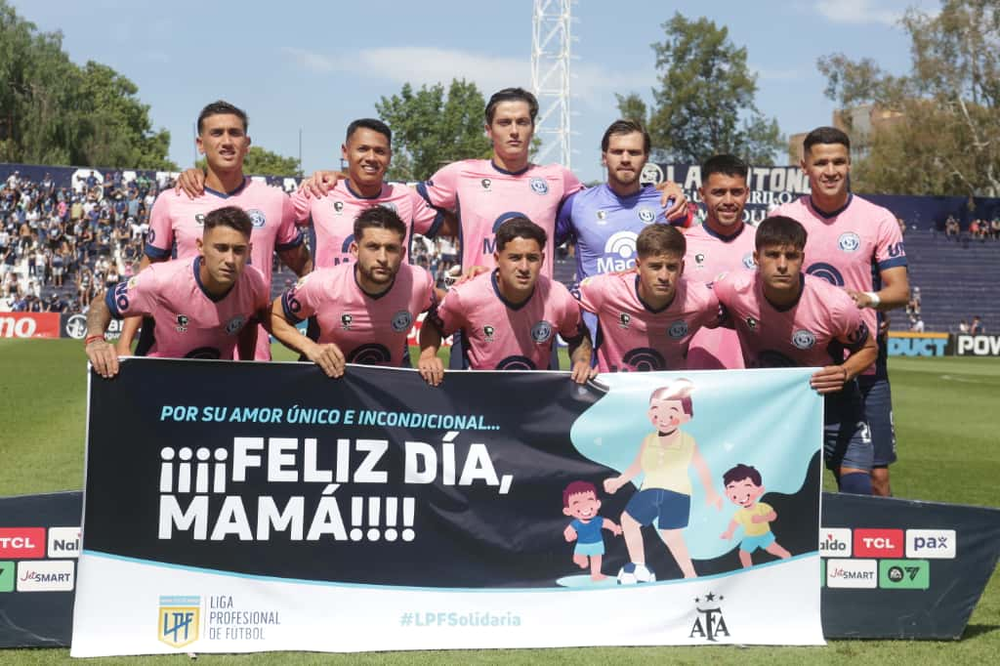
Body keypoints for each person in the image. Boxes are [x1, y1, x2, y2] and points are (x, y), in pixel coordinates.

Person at [116, 100, 312, 360]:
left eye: (235, 133)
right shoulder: (172, 200)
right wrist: (124, 343)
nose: (227, 141)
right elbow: (147, 275)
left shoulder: (275, 200)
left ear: (247, 143)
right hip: (181, 350)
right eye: (217, 133)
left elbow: (306, 269)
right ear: (200, 143)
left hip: (251, 353)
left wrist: (286, 317)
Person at [771, 127, 908, 498]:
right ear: (804, 167)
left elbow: (899, 290)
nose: (830, 171)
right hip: (801, 366)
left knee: (876, 477)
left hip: (862, 362)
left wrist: (867, 299)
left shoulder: (878, 219)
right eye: (821, 163)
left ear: (849, 164)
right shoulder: (783, 217)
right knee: (793, 475)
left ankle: (876, 536)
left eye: (838, 162)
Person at [713, 215, 878, 495]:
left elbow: (869, 348)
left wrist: (845, 372)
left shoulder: (835, 305)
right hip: (773, 407)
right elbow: (692, 302)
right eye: (772, 255)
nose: (782, 264)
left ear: (802, 258)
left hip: (833, 404)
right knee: (775, 493)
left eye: (790, 256)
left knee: (858, 489)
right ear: (756, 257)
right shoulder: (733, 288)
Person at [84, 206, 271, 378]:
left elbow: (249, 323)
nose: (230, 259)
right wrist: (95, 340)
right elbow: (102, 303)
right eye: (221, 248)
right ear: (201, 246)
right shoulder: (161, 280)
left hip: (216, 385)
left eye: (238, 250)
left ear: (249, 251)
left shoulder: (257, 284)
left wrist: (246, 369)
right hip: (158, 383)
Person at [416, 217, 592, 383]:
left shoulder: (559, 298)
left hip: (536, 398)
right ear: (497, 259)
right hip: (479, 399)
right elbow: (434, 325)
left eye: (532, 258)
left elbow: (578, 338)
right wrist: (428, 355)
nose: (524, 267)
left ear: (542, 259)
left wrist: (582, 361)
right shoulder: (466, 295)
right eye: (515, 258)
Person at [270, 206, 437, 376]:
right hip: (329, 384)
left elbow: (440, 312)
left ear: (402, 253)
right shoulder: (322, 284)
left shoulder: (418, 282)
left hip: (387, 386)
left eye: (391, 248)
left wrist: (428, 353)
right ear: (355, 250)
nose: (382, 258)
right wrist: (309, 347)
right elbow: (273, 315)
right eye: (373, 247)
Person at [603, 378, 723, 580]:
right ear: (649, 414)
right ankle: (638, 566)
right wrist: (619, 481)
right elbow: (638, 465)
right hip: (650, 489)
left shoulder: (688, 442)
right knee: (628, 521)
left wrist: (711, 492)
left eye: (671, 413)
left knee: (671, 534)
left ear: (686, 417)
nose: (663, 418)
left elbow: (701, 466)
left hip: (677, 493)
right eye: (656, 411)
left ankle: (690, 574)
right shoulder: (649, 440)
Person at [575, 224, 722, 372]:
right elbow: (569, 312)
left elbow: (730, 317)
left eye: (671, 267)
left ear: (682, 268)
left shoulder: (701, 299)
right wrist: (583, 358)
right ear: (638, 266)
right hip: (613, 386)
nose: (664, 276)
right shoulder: (606, 290)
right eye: (655, 267)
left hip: (671, 386)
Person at [683, 154, 757, 370]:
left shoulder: (763, 246)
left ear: (747, 193)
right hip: (694, 374)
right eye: (718, 192)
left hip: (754, 376)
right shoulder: (683, 245)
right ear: (702, 194)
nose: (728, 201)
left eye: (736, 192)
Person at [720, 464, 791, 569]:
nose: (741, 495)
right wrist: (729, 532)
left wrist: (762, 518)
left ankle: (787, 556)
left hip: (764, 535)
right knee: (743, 553)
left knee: (773, 549)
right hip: (750, 537)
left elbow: (773, 515)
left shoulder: (761, 507)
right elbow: (734, 522)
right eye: (735, 494)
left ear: (760, 490)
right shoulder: (740, 513)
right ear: (727, 494)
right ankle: (748, 570)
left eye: (746, 489)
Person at [561, 481, 622, 582]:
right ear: (568, 511)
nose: (584, 506)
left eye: (589, 500)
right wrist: (569, 536)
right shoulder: (576, 523)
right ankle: (582, 561)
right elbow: (568, 531)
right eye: (576, 503)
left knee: (596, 559)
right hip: (582, 545)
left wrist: (615, 528)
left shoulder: (597, 520)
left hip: (597, 544)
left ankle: (596, 574)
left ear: (597, 504)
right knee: (577, 558)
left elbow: (607, 523)